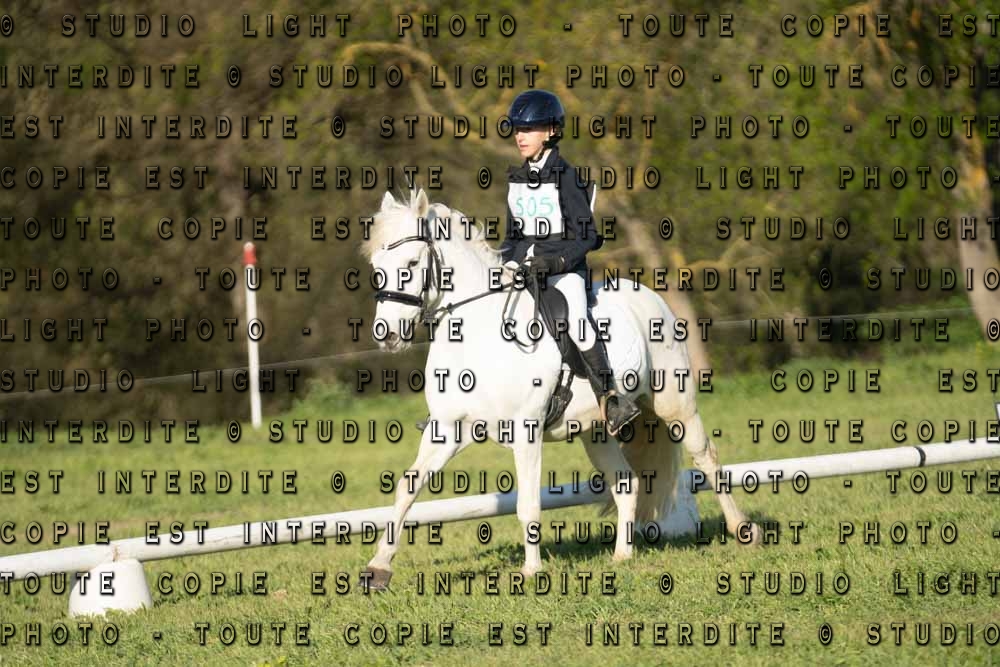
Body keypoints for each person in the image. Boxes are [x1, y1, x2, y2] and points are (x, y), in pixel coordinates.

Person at [500, 89, 641, 437]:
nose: (520, 136)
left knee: (577, 321)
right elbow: (512, 238)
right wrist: (504, 264)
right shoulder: (517, 180)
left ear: (550, 131)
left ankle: (610, 399)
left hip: (565, 272)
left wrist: (556, 261)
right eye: (517, 129)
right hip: (525, 272)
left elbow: (588, 236)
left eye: (529, 129)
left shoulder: (566, 177)